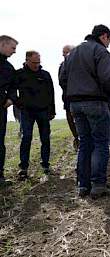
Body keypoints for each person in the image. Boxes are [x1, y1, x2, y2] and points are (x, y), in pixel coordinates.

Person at [59, 24, 110, 198]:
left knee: (85, 143)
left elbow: (63, 79)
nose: (109, 44)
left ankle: (83, 186)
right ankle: (99, 184)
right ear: (104, 36)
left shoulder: (73, 53)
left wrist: (74, 93)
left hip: (75, 105)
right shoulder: (100, 51)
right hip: (95, 103)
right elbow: (108, 78)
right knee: (101, 143)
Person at [15, 51, 55, 180]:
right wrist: (18, 104)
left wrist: (52, 110)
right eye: (34, 62)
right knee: (26, 137)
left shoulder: (45, 75)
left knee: (45, 138)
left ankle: (45, 165)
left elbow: (51, 93)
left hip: (43, 111)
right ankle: (24, 167)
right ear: (27, 60)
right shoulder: (19, 74)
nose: (37, 65)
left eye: (38, 62)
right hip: (26, 112)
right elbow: (11, 90)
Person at [0, 35, 18, 186]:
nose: (14, 51)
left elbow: (13, 86)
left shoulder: (8, 67)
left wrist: (11, 98)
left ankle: (0, 177)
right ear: (3, 44)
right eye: (12, 48)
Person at [59, 45, 79, 151]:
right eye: (63, 52)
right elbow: (61, 82)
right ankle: (76, 138)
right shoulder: (62, 66)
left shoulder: (81, 64)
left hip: (80, 99)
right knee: (71, 122)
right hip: (68, 99)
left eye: (66, 52)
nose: (63, 54)